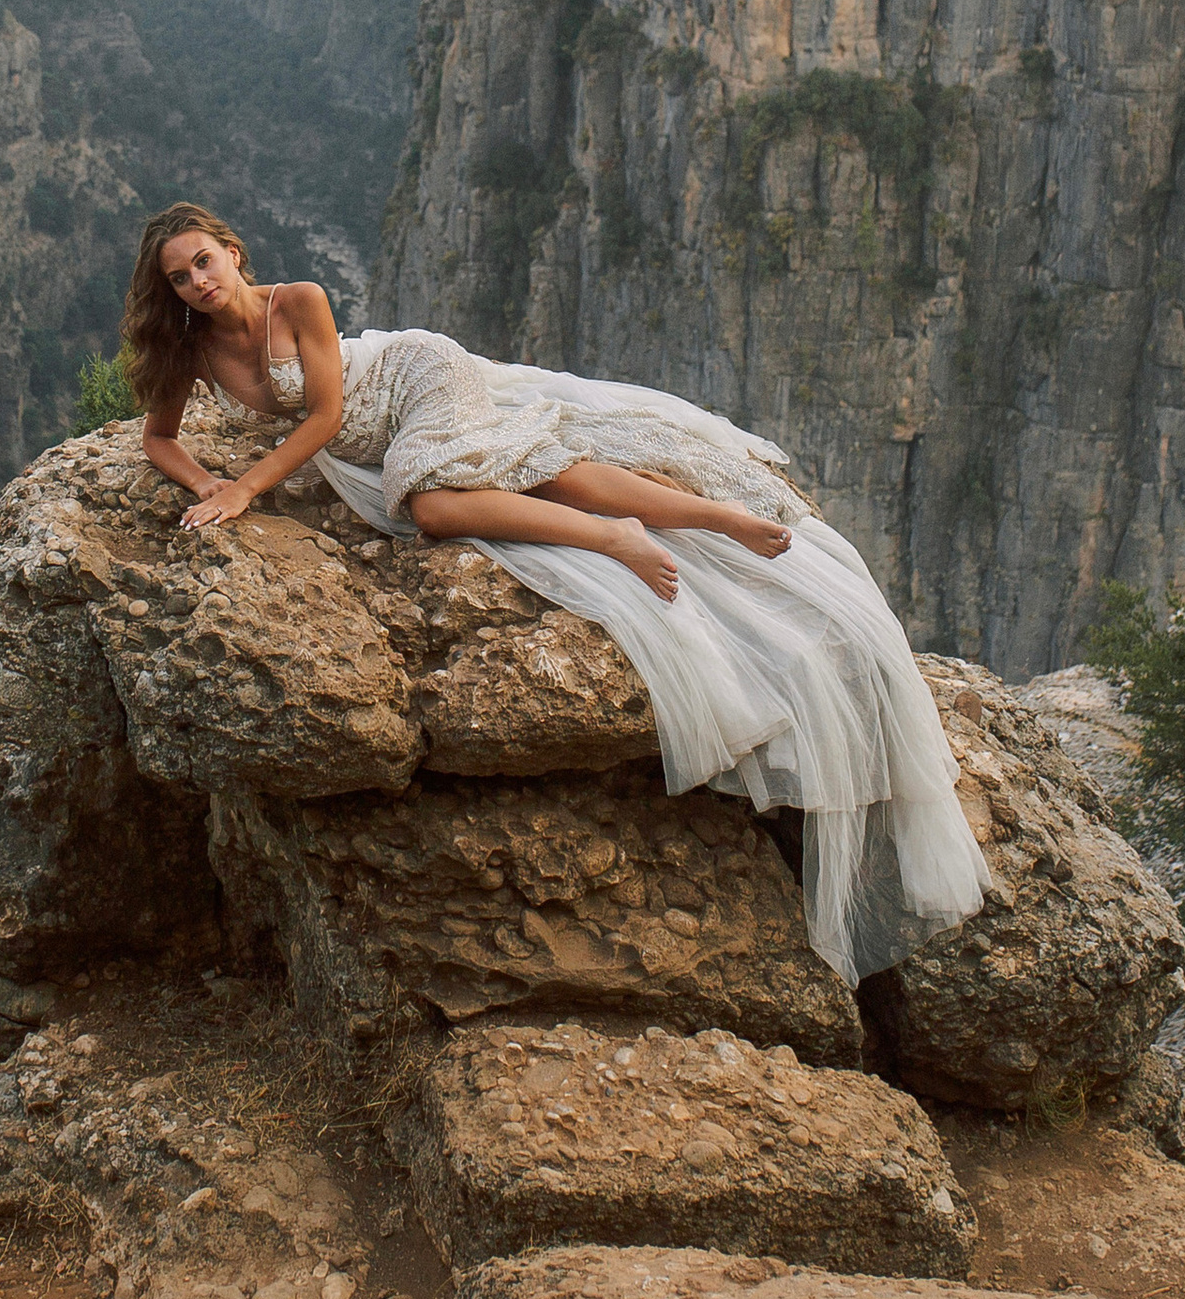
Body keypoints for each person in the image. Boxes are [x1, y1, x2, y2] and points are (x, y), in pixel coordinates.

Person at [121, 200, 992, 982]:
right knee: (539, 470)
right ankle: (713, 517)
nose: (198, 282)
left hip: (415, 382)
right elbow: (159, 439)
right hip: (369, 451)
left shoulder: (299, 301)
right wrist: (205, 482)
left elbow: (323, 416)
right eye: (180, 277)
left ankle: (627, 534)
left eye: (205, 260)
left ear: (234, 252)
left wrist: (247, 488)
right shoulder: (189, 351)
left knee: (434, 505)